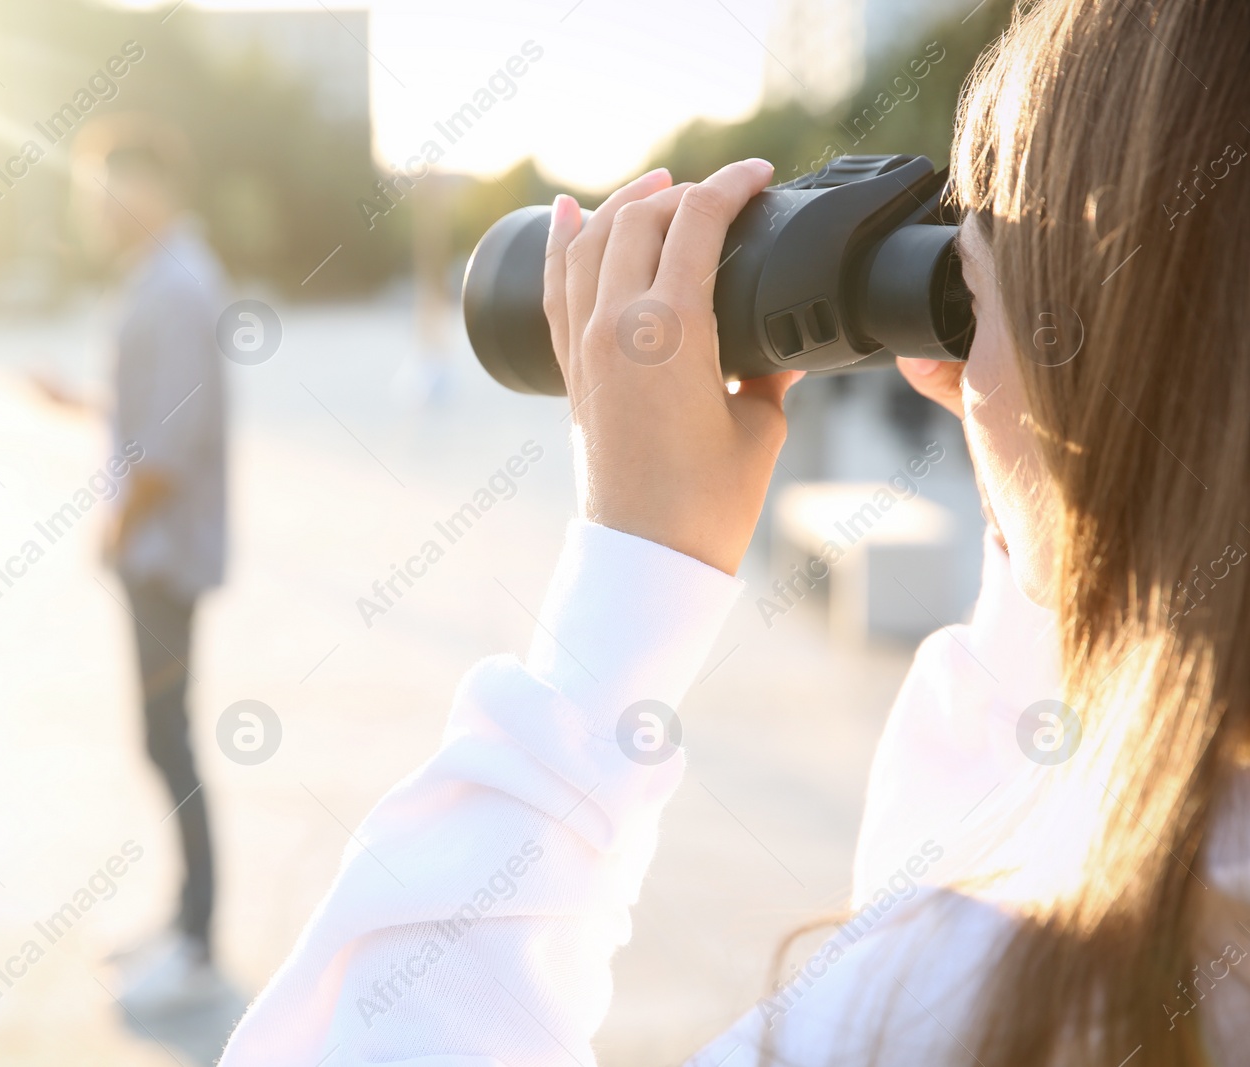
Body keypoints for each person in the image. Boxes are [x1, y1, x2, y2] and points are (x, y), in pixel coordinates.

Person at [218, 3, 1250, 1065]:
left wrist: (625, 593)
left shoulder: (991, 1006)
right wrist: (1056, 499)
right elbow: (1003, 833)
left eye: (970, 294)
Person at [69, 114, 229, 1012]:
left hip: (161, 553)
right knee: (164, 739)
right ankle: (182, 923)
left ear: (149, 190)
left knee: (171, 742)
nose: (96, 207)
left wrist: (115, 529)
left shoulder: (174, 285)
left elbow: (166, 451)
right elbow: (148, 410)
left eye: (106, 187)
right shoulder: (163, 279)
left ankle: (197, 939)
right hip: (157, 547)